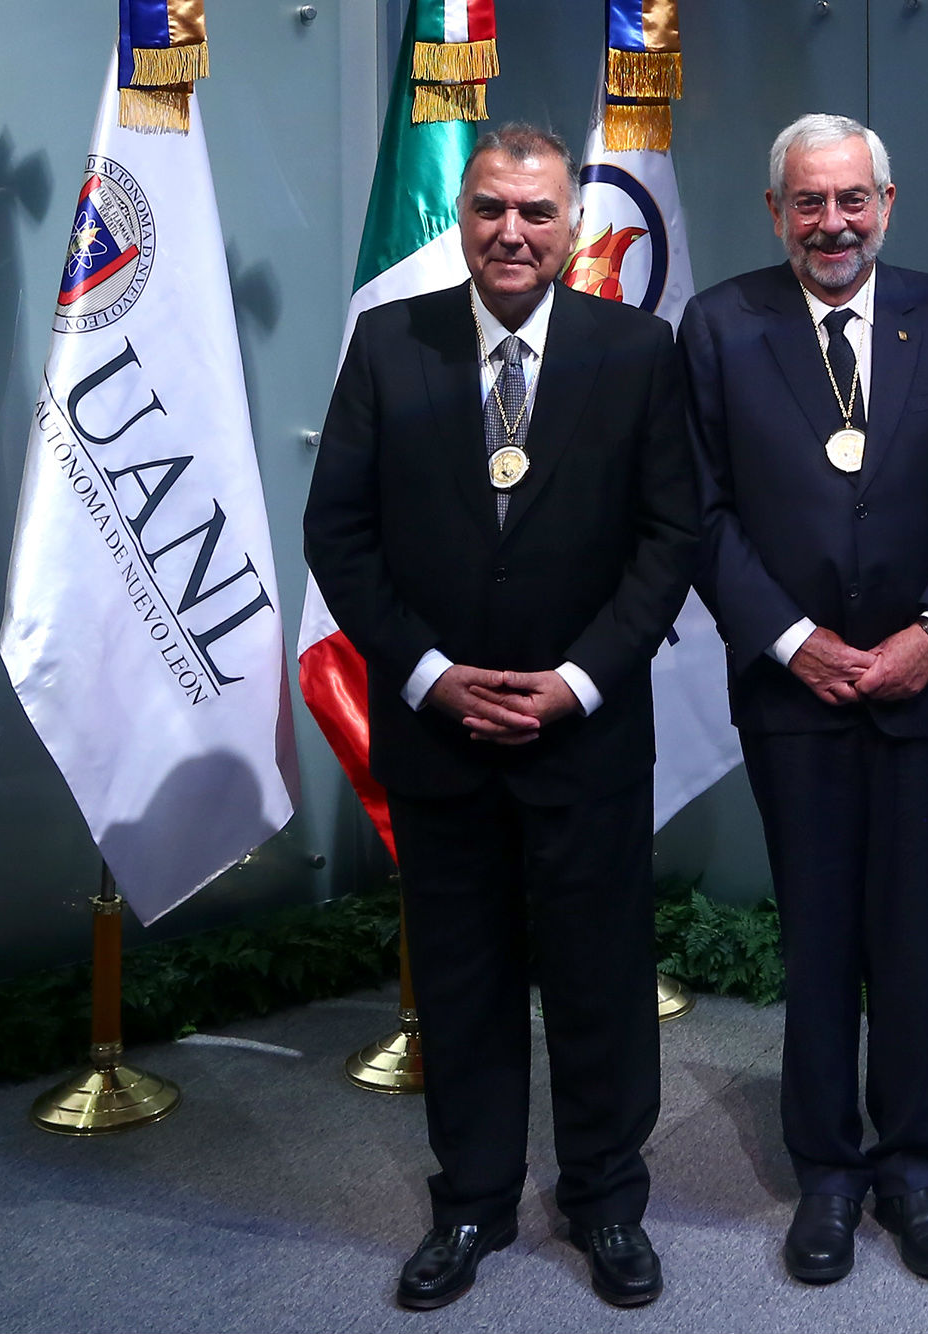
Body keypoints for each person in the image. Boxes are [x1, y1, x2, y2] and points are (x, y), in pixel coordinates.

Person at [302, 123, 697, 1312]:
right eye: (489, 209)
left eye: (535, 212)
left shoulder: (634, 350)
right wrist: (426, 671)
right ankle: (470, 1200)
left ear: (572, 223)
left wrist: (578, 678)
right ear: (461, 219)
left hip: (583, 728)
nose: (511, 233)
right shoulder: (387, 343)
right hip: (439, 732)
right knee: (462, 980)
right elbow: (340, 535)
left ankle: (606, 1199)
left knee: (599, 976)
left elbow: (671, 534)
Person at [679, 114, 928, 1286]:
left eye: (852, 200)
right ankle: (826, 1171)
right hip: (792, 689)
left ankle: (911, 1168)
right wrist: (791, 639)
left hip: (924, 681)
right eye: (807, 203)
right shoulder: (719, 325)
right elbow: (700, 511)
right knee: (817, 932)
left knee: (910, 931)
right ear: (775, 211)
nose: (832, 223)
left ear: (888, 200)